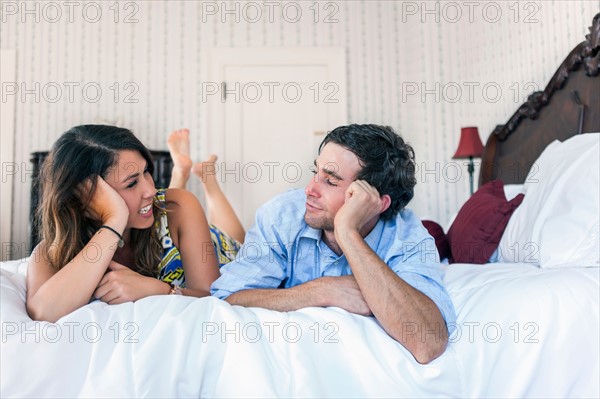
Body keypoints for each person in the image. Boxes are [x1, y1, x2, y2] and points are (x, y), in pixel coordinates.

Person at [211, 124, 456, 364]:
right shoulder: (282, 215)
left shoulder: (408, 237)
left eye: (330, 181)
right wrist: (321, 291)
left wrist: (348, 233)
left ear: (376, 203)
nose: (309, 189)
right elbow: (227, 299)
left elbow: (428, 343)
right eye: (315, 172)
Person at [26, 125, 243, 323]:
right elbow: (43, 313)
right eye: (131, 183)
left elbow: (213, 299)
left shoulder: (181, 205)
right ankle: (183, 172)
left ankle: (208, 180)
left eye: (146, 171)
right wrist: (114, 221)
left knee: (237, 238)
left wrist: (160, 289)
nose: (150, 188)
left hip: (220, 250)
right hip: (160, 223)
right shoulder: (52, 251)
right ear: (84, 198)